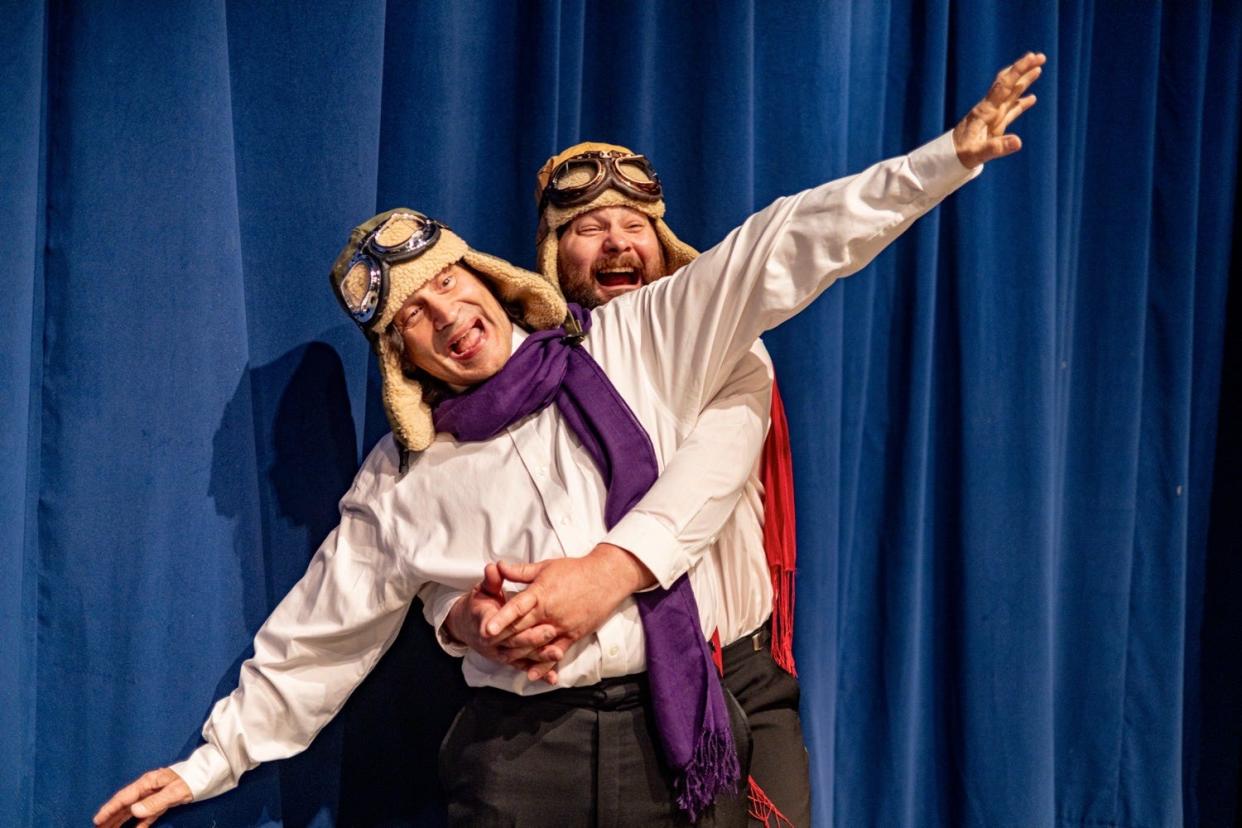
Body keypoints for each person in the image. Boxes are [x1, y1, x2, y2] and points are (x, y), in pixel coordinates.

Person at [93, 52, 1044, 828]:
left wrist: (943, 160)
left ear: (488, 277)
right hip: (521, 760)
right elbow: (317, 635)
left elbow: (782, 244)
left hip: (676, 733)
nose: (445, 312)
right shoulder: (402, 479)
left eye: (449, 280)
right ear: (400, 356)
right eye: (413, 315)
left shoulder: (641, 339)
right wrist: (208, 765)